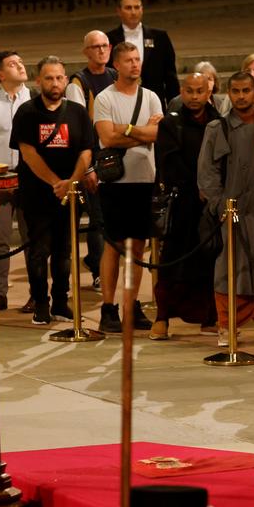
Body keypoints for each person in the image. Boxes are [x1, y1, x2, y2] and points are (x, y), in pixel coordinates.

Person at [197, 71, 254, 347]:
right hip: (233, 211)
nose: (241, 96)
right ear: (228, 93)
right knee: (229, 270)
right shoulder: (217, 128)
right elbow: (207, 173)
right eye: (236, 91)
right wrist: (220, 204)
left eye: (247, 90)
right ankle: (227, 326)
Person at [10, 57, 94, 326]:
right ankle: (41, 304)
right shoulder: (26, 112)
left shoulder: (78, 112)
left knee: (64, 252)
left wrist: (71, 182)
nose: (55, 83)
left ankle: (60, 301)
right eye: (49, 78)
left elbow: (86, 150)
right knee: (38, 251)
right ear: (38, 81)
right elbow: (28, 153)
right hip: (37, 194)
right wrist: (56, 182)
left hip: (69, 193)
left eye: (59, 77)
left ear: (66, 80)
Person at [93, 41, 162, 333]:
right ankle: (108, 308)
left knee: (138, 247)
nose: (135, 64)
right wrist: (141, 133)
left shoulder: (151, 97)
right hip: (115, 182)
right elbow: (107, 139)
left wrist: (128, 129)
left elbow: (157, 134)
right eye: (129, 60)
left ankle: (131, 304)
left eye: (137, 59)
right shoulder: (104, 99)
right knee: (114, 245)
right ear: (117, 65)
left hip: (144, 180)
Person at [149, 73, 221, 340]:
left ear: (208, 91)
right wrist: (196, 183)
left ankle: (209, 317)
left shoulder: (217, 121)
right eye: (189, 91)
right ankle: (162, 318)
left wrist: (211, 189)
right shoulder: (171, 123)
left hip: (210, 204)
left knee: (211, 258)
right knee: (171, 261)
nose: (194, 97)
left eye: (199, 91)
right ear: (182, 91)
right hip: (182, 203)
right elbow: (168, 162)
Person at [66, 29, 118, 293]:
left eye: (105, 46)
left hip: (115, 156)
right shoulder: (78, 83)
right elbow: (79, 128)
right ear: (86, 51)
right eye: (95, 47)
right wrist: (88, 167)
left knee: (108, 216)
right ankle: (98, 269)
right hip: (92, 157)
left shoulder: (115, 76)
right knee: (97, 218)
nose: (101, 50)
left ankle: (101, 263)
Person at [0, 51, 32, 311]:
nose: (20, 65)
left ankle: (37, 294)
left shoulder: (35, 99)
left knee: (32, 238)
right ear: (1, 74)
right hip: (1, 178)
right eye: (13, 64)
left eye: (21, 61)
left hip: (30, 178)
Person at [106, 0, 180, 108]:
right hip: (120, 103)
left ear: (142, 9)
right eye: (128, 8)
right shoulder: (109, 39)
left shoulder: (160, 37)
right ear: (119, 11)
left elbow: (170, 77)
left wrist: (174, 109)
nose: (134, 12)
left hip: (155, 104)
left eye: (137, 7)